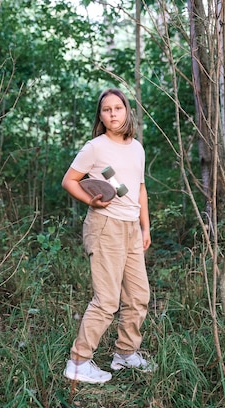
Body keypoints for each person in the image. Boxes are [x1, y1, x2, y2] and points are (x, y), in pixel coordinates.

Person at [62, 88, 156, 384]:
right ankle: (78, 362)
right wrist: (91, 200)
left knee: (139, 296)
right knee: (106, 300)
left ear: (127, 111)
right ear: (100, 116)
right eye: (106, 109)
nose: (113, 113)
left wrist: (145, 226)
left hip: (130, 228)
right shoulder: (95, 147)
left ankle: (125, 354)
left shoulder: (137, 147)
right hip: (105, 226)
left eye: (118, 108)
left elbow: (140, 189)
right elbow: (69, 181)